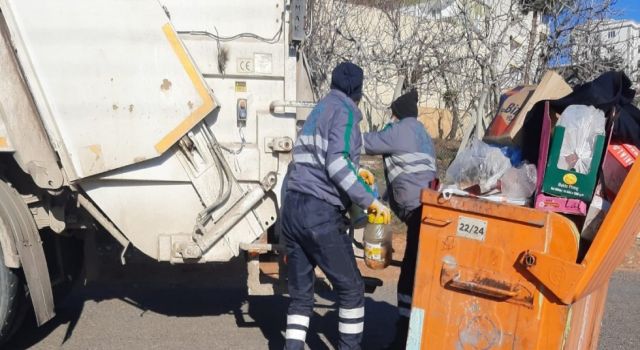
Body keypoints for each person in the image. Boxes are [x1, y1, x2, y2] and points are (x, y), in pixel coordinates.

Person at [281, 62, 391, 350]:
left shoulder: (318, 111)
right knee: (351, 289)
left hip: (292, 208)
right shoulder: (344, 113)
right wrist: (370, 201)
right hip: (318, 212)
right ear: (358, 91)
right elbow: (337, 163)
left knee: (301, 296)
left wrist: (357, 181)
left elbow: (309, 161)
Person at [361, 89, 437, 349]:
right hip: (428, 209)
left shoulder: (400, 130)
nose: (391, 119)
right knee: (418, 268)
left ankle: (404, 336)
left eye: (392, 115)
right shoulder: (422, 134)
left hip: (417, 210)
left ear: (398, 114)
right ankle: (412, 330)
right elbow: (405, 170)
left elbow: (365, 143)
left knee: (409, 273)